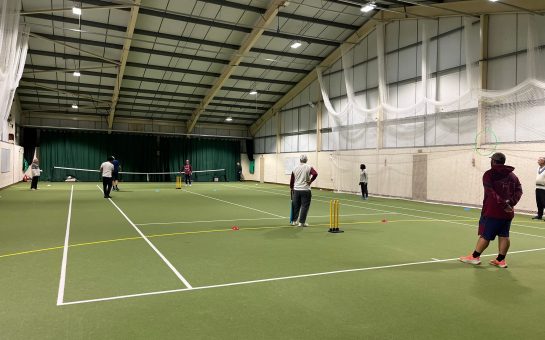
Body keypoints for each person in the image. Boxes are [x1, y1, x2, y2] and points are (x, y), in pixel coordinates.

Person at [459, 152, 522, 268]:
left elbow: (490, 192)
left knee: (485, 235)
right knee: (504, 235)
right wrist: (510, 203)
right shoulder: (513, 176)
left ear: (493, 161)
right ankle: (501, 260)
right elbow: (519, 191)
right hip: (508, 213)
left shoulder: (489, 174)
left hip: (492, 212)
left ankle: (474, 257)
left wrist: (503, 204)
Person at [289, 154, 318, 227]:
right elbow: (315, 174)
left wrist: (292, 187)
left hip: (296, 190)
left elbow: (292, 179)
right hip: (305, 190)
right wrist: (310, 181)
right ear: (306, 160)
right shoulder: (309, 167)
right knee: (305, 206)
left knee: (296, 206)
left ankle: (294, 221)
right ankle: (301, 222)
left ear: (300, 160)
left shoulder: (295, 168)